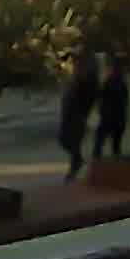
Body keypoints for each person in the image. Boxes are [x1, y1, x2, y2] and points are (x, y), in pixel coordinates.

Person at [55, 51, 101, 180]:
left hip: (76, 115)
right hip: (72, 113)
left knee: (68, 139)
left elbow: (87, 95)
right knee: (65, 139)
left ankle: (77, 165)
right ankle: (76, 163)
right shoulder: (80, 76)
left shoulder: (86, 80)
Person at [90, 59, 130, 164]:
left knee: (101, 141)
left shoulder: (109, 83)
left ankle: (98, 160)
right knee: (114, 143)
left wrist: (101, 111)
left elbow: (100, 99)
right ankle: (112, 159)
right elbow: (124, 101)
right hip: (117, 117)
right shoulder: (121, 83)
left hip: (110, 117)